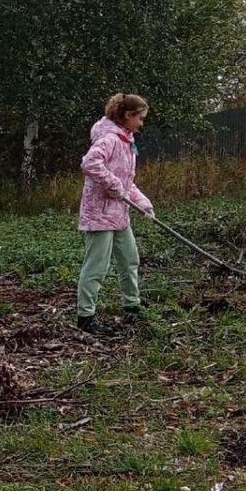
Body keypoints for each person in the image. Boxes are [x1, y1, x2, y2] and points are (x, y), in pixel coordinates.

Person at [77, 93, 154, 335]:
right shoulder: (109, 139)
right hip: (99, 214)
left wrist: (144, 204)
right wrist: (113, 185)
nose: (142, 123)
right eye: (140, 118)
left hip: (119, 213)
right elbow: (90, 164)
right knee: (97, 266)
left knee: (130, 259)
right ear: (127, 115)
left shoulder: (126, 140)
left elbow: (126, 182)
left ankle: (132, 305)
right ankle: (85, 316)